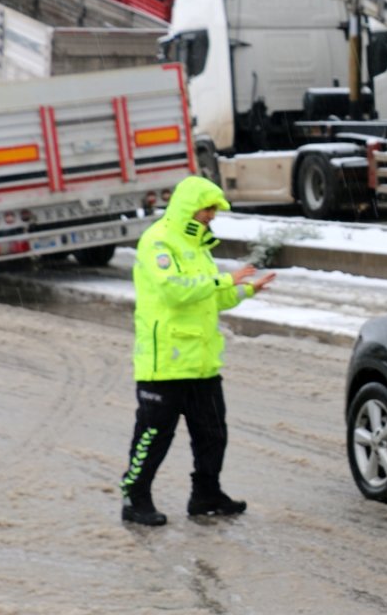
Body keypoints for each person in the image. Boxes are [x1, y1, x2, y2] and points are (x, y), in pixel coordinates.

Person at [119, 176, 276, 526]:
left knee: (213, 435)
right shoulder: (158, 241)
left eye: (214, 210)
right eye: (208, 209)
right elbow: (175, 290)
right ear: (190, 207)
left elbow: (211, 296)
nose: (212, 216)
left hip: (202, 364)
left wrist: (248, 291)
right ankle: (135, 498)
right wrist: (226, 280)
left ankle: (205, 495)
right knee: (153, 437)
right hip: (165, 364)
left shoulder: (199, 247)